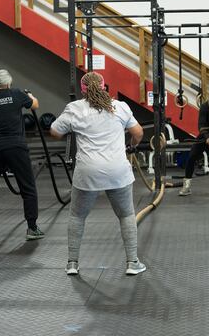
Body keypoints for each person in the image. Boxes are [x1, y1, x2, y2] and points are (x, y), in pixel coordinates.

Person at [50, 72, 146, 276]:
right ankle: (133, 263)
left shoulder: (74, 108)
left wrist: (72, 127)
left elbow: (55, 132)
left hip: (88, 172)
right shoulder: (120, 107)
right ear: (104, 87)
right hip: (117, 171)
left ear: (83, 90)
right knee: (127, 215)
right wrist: (131, 145)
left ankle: (72, 264)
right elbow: (138, 133)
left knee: (77, 216)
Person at [0, 69, 44, 242]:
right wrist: (30, 94)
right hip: (15, 146)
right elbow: (34, 105)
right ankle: (32, 228)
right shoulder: (16, 93)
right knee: (28, 187)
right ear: (8, 83)